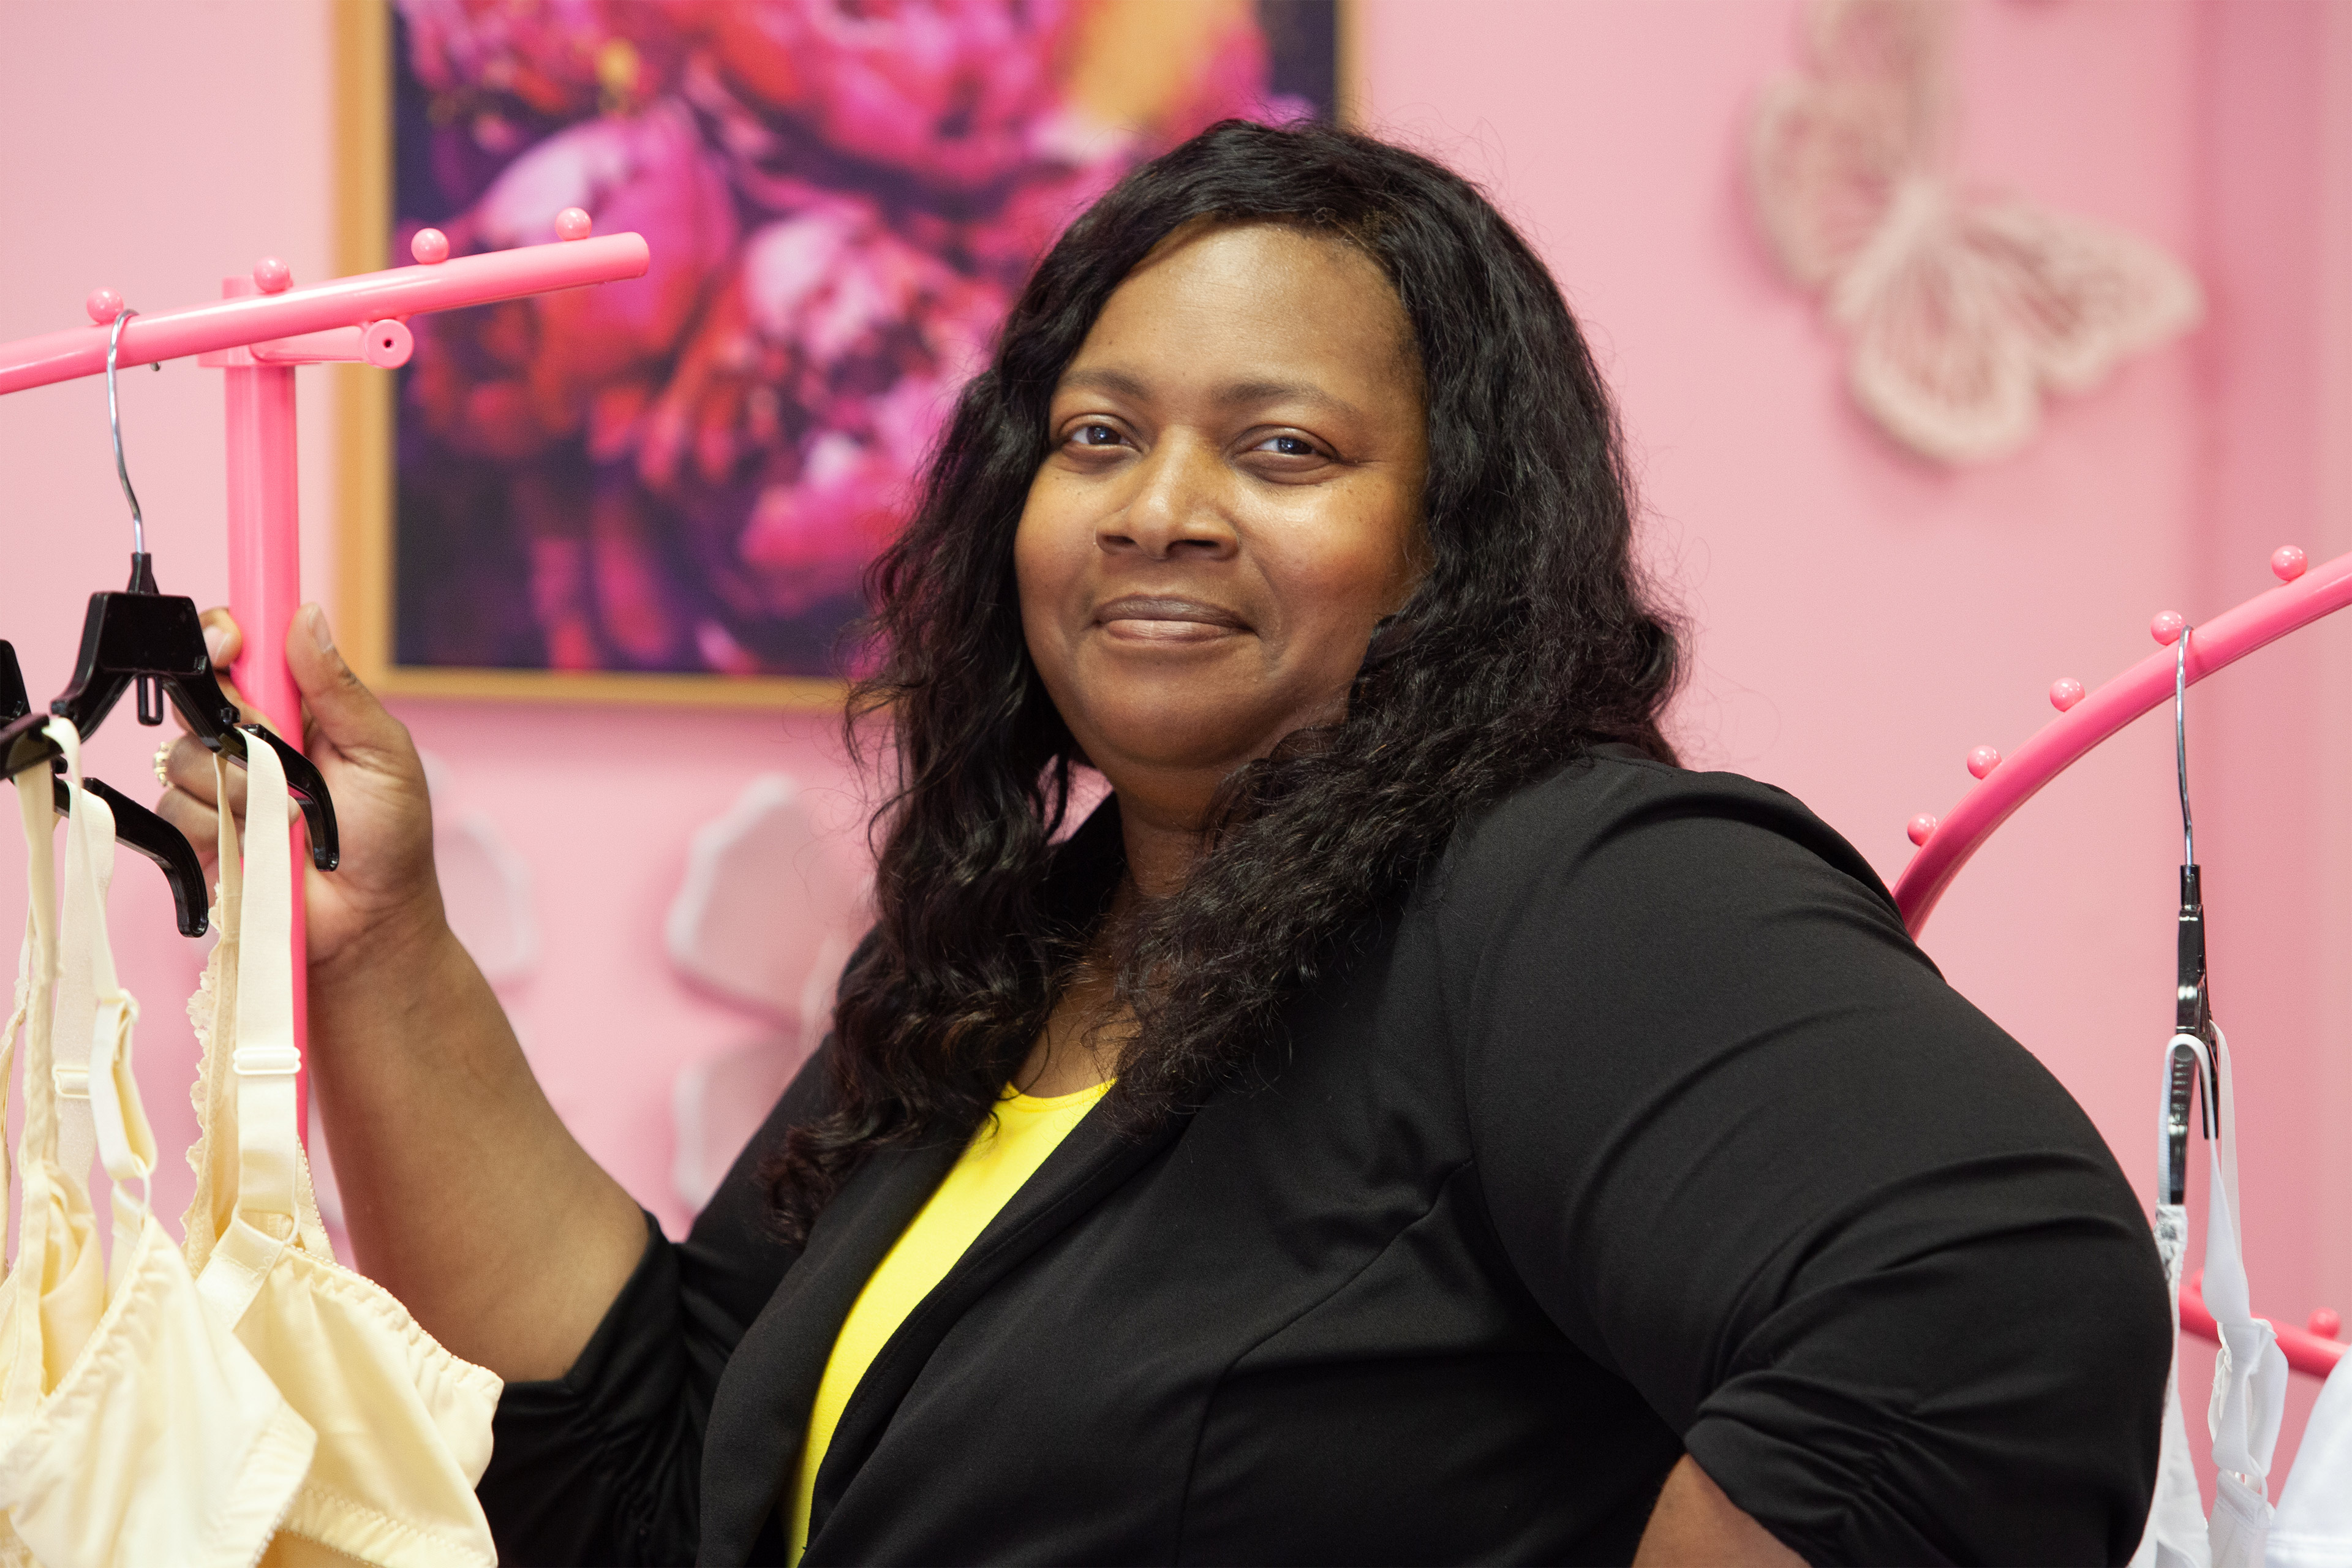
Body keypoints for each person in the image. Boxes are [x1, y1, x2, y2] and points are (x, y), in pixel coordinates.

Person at [164, 120, 2171, 1566]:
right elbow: (658, 1470)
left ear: (1456, 539)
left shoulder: (1569, 885)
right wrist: (381, 951)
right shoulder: (1003, 966)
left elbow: (1986, 1303)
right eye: (1100, 438)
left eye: (1282, 449)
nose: (1156, 510)